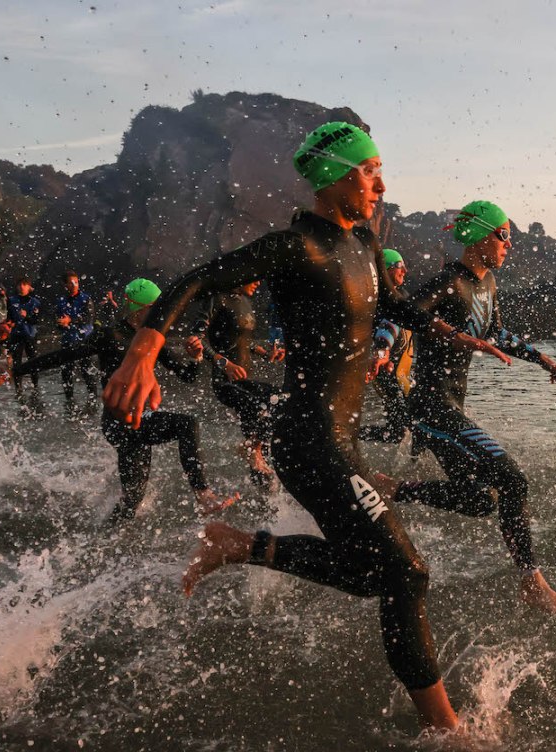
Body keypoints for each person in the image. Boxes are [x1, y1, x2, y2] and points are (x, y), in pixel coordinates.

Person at [101, 122, 511, 731]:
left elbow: (392, 308)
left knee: (376, 573)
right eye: (370, 170)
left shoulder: (365, 244)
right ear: (337, 175)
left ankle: (241, 545)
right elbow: (196, 281)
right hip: (309, 441)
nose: (380, 183)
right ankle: (446, 731)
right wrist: (142, 353)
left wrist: (456, 333)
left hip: (339, 439)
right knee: (407, 574)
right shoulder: (297, 247)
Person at [400, 199, 556, 618]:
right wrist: (456, 336)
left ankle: (394, 489)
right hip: (430, 405)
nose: (509, 245)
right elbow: (407, 312)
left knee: (481, 500)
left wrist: (542, 360)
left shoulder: (487, 285)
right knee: (513, 480)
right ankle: (533, 584)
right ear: (481, 236)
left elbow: (496, 332)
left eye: (509, 238)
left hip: (450, 406)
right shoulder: (448, 281)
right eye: (503, 236)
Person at [0, 279, 236, 523]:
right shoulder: (110, 335)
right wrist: (15, 371)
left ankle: (102, 538)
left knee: (132, 502)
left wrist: (196, 358)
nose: (163, 315)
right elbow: (63, 356)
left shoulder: (152, 339)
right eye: (157, 308)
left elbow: (187, 376)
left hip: (139, 418)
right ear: (139, 308)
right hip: (117, 422)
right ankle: (204, 495)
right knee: (187, 424)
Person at [190, 280, 284, 481]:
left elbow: (239, 340)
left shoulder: (244, 301)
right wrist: (226, 365)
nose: (258, 282)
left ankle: (268, 498)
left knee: (280, 400)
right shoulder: (217, 298)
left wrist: (264, 352)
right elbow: (197, 339)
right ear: (241, 275)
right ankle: (251, 449)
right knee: (260, 408)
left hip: (245, 380)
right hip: (226, 382)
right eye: (254, 277)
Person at [360, 249, 415, 444]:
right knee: (401, 430)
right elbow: (388, 326)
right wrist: (383, 352)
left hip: (402, 372)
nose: (404, 270)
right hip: (386, 371)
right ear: (385, 270)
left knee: (410, 427)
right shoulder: (382, 301)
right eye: (399, 265)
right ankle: (344, 436)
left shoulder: (400, 295)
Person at [55, 270, 99, 410]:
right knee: (66, 372)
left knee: (87, 372)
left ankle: (93, 402)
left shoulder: (86, 298)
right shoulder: (61, 301)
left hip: (85, 340)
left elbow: (89, 318)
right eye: (71, 282)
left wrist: (71, 320)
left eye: (76, 282)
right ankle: (69, 402)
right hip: (68, 340)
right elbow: (58, 324)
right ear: (65, 285)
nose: (75, 285)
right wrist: (61, 323)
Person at [7, 277, 42, 392]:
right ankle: (18, 388)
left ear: (29, 287)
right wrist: (8, 324)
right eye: (20, 284)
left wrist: (26, 316)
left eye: (24, 284)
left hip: (30, 335)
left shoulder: (35, 302)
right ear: (17, 286)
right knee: (17, 361)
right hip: (16, 334)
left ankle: (35, 386)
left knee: (33, 360)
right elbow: (9, 318)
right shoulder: (11, 300)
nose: (22, 286)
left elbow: (36, 320)